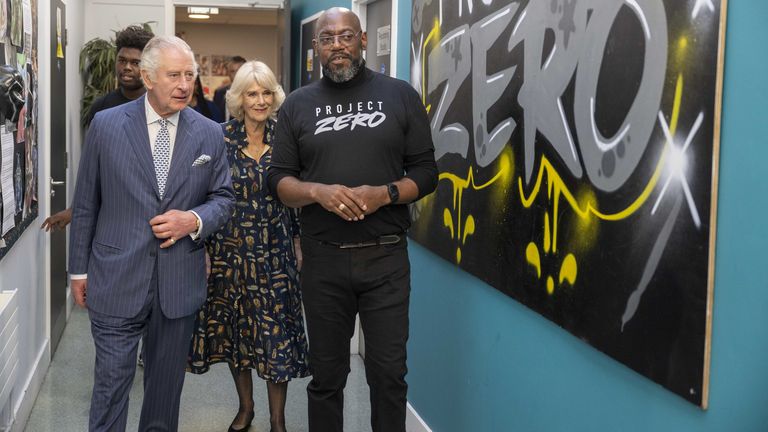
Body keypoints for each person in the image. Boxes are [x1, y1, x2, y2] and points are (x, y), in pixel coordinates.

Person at [266, 7, 438, 432]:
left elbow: (427, 173)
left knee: (388, 375)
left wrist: (385, 194)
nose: (337, 45)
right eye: (328, 38)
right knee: (326, 378)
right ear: (317, 47)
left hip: (386, 262)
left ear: (362, 41)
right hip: (323, 263)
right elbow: (277, 180)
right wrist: (317, 193)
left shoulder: (399, 96)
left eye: (346, 36)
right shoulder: (298, 106)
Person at [68, 35, 235, 432]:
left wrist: (192, 220)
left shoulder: (210, 133)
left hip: (178, 282)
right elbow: (87, 201)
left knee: (163, 395)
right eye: (173, 75)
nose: (184, 84)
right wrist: (78, 271)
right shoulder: (107, 126)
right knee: (110, 387)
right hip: (114, 277)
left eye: (189, 75)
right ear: (146, 77)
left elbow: (224, 199)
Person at [188, 60, 309, 432]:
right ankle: (246, 408)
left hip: (275, 253)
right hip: (229, 251)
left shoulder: (287, 139)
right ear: (239, 98)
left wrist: (299, 240)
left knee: (276, 338)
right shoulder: (219, 138)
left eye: (266, 92)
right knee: (238, 334)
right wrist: (204, 245)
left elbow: (299, 194)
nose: (260, 100)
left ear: (275, 96)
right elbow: (202, 193)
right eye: (252, 93)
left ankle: (277, 419)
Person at [41, 24, 154, 232]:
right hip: (111, 215)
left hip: (151, 214)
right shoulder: (101, 109)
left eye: (135, 62)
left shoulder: (156, 108)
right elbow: (91, 169)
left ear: (147, 67)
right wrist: (74, 210)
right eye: (122, 61)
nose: (127, 67)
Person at [213, 55, 246, 120]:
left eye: (239, 71)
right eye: (232, 71)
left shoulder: (253, 93)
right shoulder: (219, 93)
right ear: (228, 73)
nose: (236, 75)